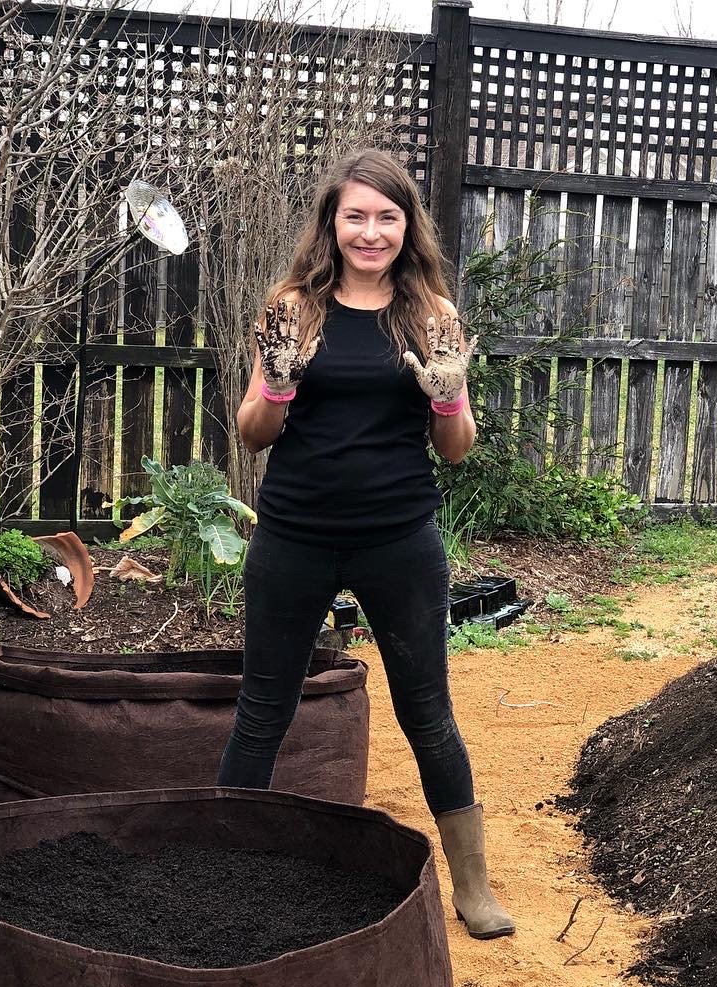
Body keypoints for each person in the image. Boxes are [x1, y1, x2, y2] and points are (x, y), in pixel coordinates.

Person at [216, 148, 514, 940]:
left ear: (407, 225)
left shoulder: (433, 316)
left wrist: (448, 396)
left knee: (429, 714)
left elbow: (456, 449)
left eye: (387, 216)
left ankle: (474, 887)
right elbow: (252, 434)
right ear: (332, 223)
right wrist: (278, 381)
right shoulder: (291, 307)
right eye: (356, 215)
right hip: (294, 536)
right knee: (261, 712)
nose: (371, 231)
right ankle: (217, 874)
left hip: (398, 540)